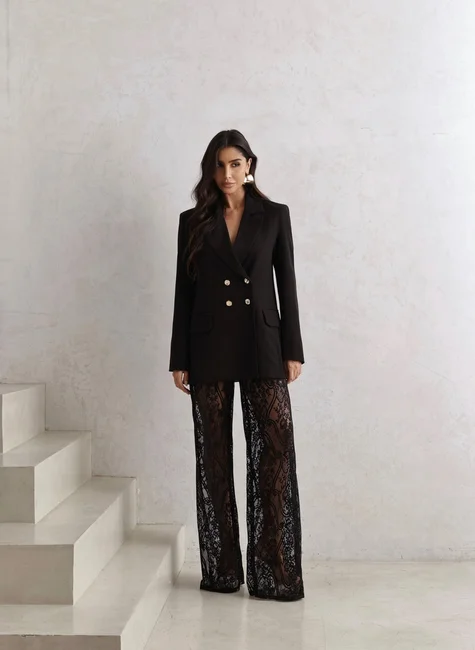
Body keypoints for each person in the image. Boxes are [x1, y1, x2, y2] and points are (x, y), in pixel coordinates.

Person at [169, 129, 305, 601]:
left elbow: (287, 285)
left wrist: (292, 349)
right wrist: (179, 357)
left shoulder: (274, 215)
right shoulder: (193, 221)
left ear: (249, 166)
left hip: (262, 342)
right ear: (211, 170)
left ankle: (274, 571)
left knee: (274, 451)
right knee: (214, 455)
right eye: (219, 165)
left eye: (235, 164)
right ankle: (223, 569)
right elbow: (184, 292)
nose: (227, 174)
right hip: (208, 345)